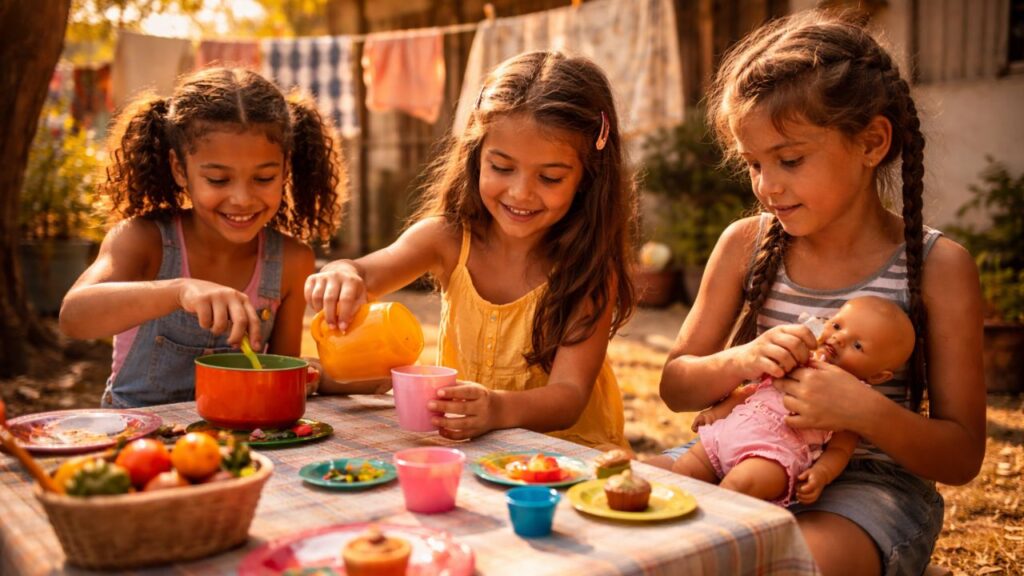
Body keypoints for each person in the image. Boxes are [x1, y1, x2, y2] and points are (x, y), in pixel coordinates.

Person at [656, 10, 985, 575]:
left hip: (868, 487)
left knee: (784, 565)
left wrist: (864, 411)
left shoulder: (937, 267)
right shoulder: (744, 243)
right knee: (630, 525)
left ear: (872, 142)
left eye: (789, 159)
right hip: (737, 456)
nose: (767, 185)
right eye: (753, 163)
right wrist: (740, 360)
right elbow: (675, 385)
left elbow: (961, 455)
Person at [305, 51, 638, 451]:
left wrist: (498, 410)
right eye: (501, 168)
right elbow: (366, 273)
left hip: (570, 456)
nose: (520, 193)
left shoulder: (586, 269)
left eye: (549, 177)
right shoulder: (446, 239)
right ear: (477, 156)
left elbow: (568, 397)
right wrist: (343, 274)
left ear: (588, 178)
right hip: (475, 449)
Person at [59, 67, 345, 408]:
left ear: (285, 169)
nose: (241, 198)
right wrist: (179, 291)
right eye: (218, 180)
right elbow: (73, 317)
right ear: (180, 169)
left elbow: (281, 379)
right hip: (139, 444)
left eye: (264, 178)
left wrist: (350, 378)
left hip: (238, 445)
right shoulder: (143, 240)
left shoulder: (292, 261)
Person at [664, 297, 915, 508]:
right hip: (725, 437)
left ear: (877, 376)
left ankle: (714, 534)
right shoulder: (797, 357)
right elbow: (751, 390)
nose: (838, 339)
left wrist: (822, 473)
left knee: (736, 489)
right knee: (682, 474)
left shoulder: (853, 400)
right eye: (837, 326)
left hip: (772, 457)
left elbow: (841, 449)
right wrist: (716, 413)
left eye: (857, 345)